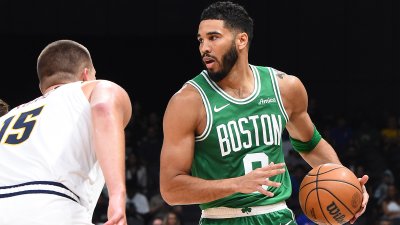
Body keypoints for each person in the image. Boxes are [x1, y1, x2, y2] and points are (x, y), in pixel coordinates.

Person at [159, 1, 369, 225]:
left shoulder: (285, 88)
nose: (204, 48)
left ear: (241, 40)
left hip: (278, 216)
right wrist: (237, 184)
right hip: (222, 218)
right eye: (201, 40)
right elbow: (171, 189)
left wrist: (346, 181)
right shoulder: (187, 102)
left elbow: (310, 144)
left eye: (213, 37)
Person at [0, 39, 132, 225]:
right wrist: (118, 196)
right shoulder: (88, 89)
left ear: (42, 88)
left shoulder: (7, 118)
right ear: (86, 75)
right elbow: (103, 106)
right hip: (51, 204)